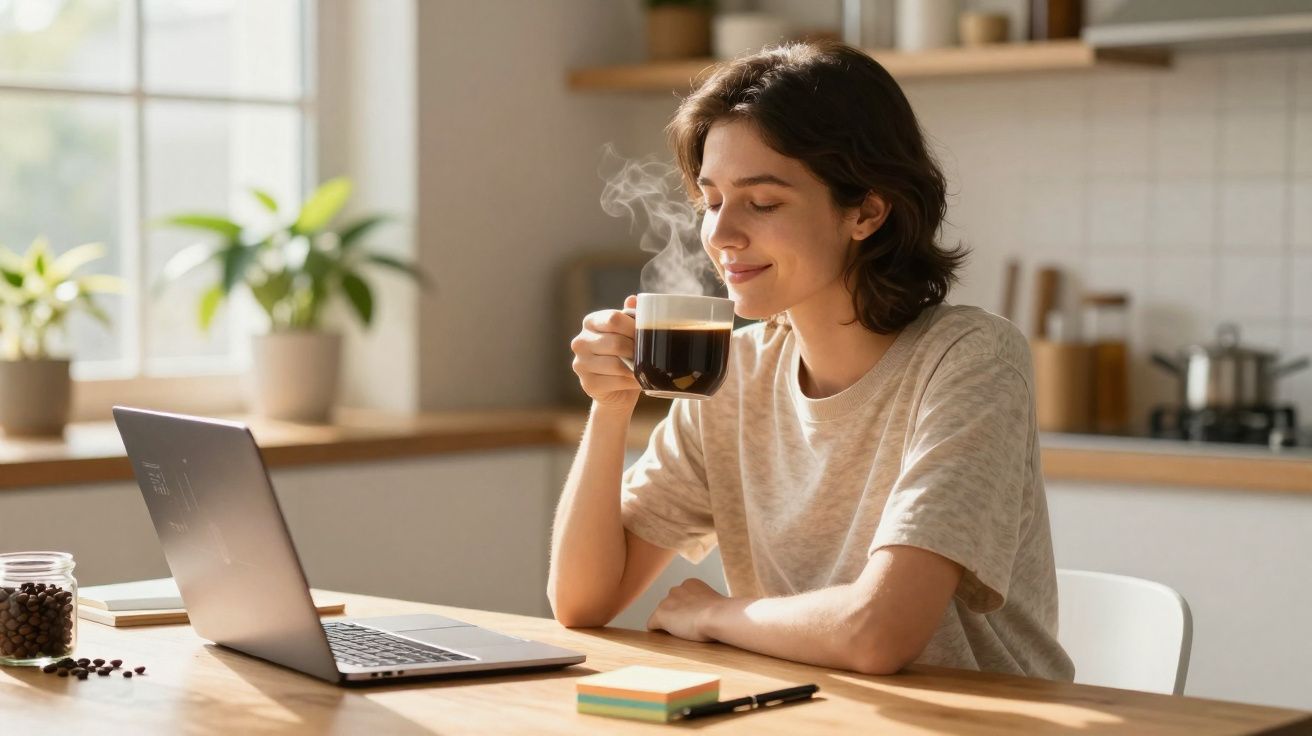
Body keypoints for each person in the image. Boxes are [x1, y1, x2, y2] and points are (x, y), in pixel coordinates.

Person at [547, 41, 1074, 681]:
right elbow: (581, 601)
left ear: (867, 210)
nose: (719, 234)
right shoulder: (733, 373)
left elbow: (878, 634)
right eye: (711, 200)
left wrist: (716, 616)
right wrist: (610, 407)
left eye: (762, 202)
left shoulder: (969, 361)